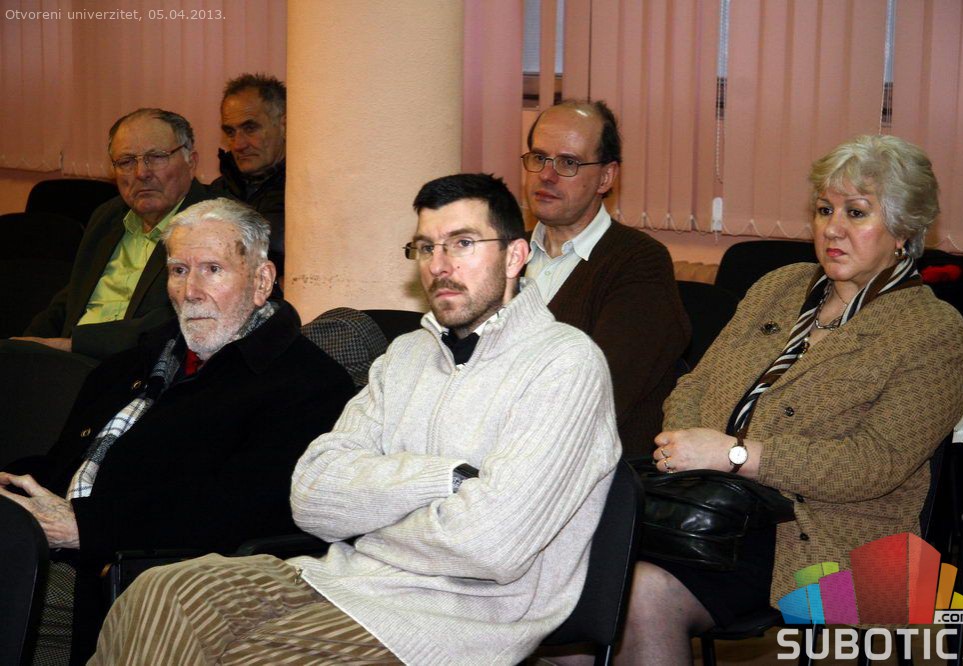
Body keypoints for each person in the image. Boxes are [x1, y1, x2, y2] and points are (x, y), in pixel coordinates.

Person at [87, 173, 620, 665]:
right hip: (339, 580)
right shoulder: (406, 355)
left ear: (515, 256)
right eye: (426, 247)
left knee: (242, 656)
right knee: (157, 593)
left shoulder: (564, 364)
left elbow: (492, 547)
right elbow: (312, 495)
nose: (439, 265)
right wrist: (444, 479)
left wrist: (366, 520)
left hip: (454, 619)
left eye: (462, 243)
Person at [619, 135, 963, 664]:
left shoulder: (932, 330)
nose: (832, 228)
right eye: (825, 210)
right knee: (574, 574)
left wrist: (736, 455)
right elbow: (695, 383)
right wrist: (683, 445)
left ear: (904, 230)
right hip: (708, 508)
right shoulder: (780, 286)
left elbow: (875, 465)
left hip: (826, 538)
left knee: (642, 594)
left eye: (856, 213)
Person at [0, 198, 356, 665]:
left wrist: (85, 527)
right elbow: (64, 463)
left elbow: (242, 511)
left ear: (261, 281)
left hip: (147, 578)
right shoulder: (129, 365)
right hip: (57, 546)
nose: (190, 291)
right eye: (179, 270)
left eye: (212, 270)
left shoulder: (308, 385)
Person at [523, 99, 690, 456]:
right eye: (539, 157)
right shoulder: (502, 253)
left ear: (606, 177)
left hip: (591, 467)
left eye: (568, 162)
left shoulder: (639, 263)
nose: (546, 175)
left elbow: (595, 398)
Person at [15, 108, 212, 360]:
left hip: (138, 366)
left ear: (191, 162)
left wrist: (74, 345)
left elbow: (180, 321)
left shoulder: (215, 227)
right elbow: (71, 298)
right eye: (127, 161)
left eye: (156, 157)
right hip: (68, 362)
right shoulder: (107, 217)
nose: (141, 173)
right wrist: (25, 346)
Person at [209, 73, 287, 272]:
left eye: (250, 128)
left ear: (284, 125)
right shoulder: (215, 194)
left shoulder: (305, 192)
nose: (238, 144)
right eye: (230, 132)